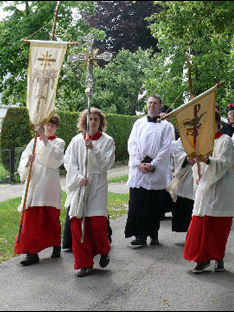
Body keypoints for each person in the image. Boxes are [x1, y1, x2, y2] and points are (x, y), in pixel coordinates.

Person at [64, 108, 115, 277]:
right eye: (89, 119)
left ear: (100, 123)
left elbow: (105, 165)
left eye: (95, 119)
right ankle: (84, 264)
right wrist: (78, 178)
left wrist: (93, 149)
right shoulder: (77, 140)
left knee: (97, 225)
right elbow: (69, 161)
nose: (92, 122)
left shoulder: (107, 141)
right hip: (81, 186)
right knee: (79, 225)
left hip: (98, 186)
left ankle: (103, 250)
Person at [184, 111, 234, 273]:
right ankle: (202, 258)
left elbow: (225, 162)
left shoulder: (225, 140)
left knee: (217, 225)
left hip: (220, 186)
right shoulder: (199, 142)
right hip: (204, 185)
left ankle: (218, 257)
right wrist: (193, 163)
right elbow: (196, 165)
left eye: (210, 122)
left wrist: (206, 160)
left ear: (218, 123)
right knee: (201, 223)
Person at [14, 115, 65, 266]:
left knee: (50, 219)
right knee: (30, 220)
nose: (49, 127)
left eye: (52, 125)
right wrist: (27, 162)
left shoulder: (59, 142)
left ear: (56, 127)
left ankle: (56, 244)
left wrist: (42, 134)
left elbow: (55, 158)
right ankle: (31, 252)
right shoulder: (34, 141)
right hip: (34, 183)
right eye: (47, 125)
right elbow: (24, 157)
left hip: (48, 185)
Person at [125, 95, 173, 246]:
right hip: (139, 170)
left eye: (155, 103)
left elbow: (166, 148)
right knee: (138, 203)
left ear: (160, 106)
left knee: (153, 204)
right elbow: (131, 143)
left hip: (156, 170)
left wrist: (154, 164)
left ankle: (153, 234)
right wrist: (138, 162)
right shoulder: (138, 123)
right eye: (150, 103)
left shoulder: (167, 126)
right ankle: (139, 236)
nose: (152, 105)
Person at [167, 138, 195, 232]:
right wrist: (187, 158)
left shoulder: (207, 134)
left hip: (203, 170)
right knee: (186, 203)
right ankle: (188, 230)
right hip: (187, 173)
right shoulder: (184, 137)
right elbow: (178, 152)